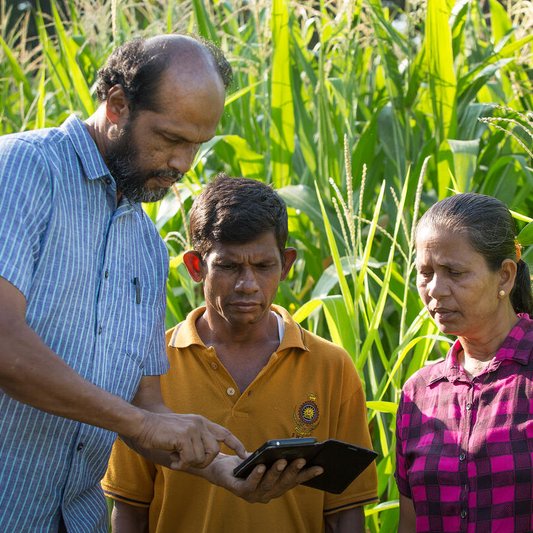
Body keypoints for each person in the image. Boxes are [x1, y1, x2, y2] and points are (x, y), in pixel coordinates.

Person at [0, 35, 315, 532]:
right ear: (118, 104)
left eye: (197, 145)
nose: (184, 164)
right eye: (170, 139)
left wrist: (224, 471)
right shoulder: (22, 169)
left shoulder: (147, 247)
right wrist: (141, 423)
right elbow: (4, 344)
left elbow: (143, 405)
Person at [102, 174, 378, 533]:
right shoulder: (151, 366)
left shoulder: (330, 367)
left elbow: (345, 511)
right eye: (229, 266)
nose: (247, 284)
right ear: (196, 266)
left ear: (287, 265)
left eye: (263, 267)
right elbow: (130, 507)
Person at [395, 193, 533, 532]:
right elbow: (409, 523)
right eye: (425, 273)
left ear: (504, 276)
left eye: (454, 272)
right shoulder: (419, 394)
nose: (436, 289)